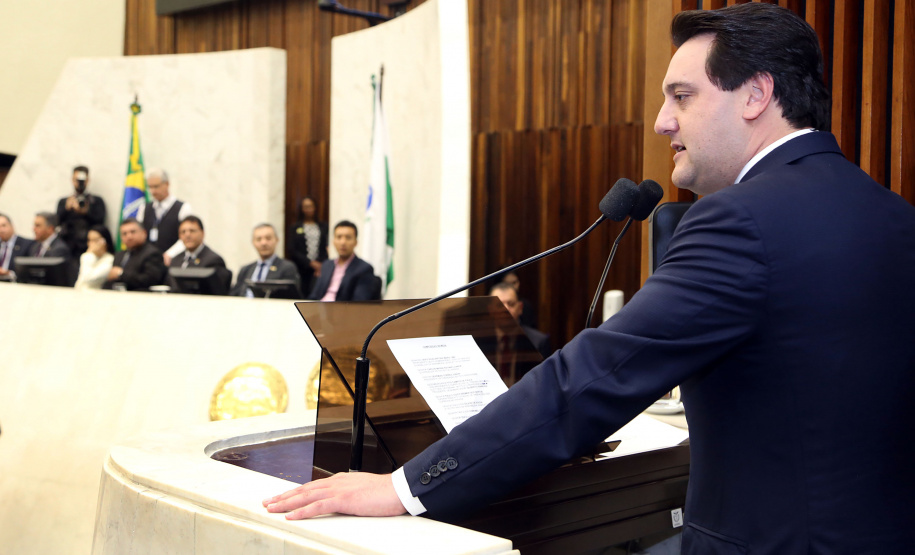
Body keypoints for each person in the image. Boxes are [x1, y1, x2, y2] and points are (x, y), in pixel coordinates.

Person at [263, 4, 915, 553]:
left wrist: (404, 484)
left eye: (681, 96)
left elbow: (593, 378)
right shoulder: (894, 216)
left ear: (755, 94)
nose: (662, 121)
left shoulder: (737, 222)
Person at [307, 221, 377, 301]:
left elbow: (359, 302)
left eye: (348, 237)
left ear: (356, 242)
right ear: (333, 241)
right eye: (339, 237)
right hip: (319, 309)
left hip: (342, 311)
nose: (343, 242)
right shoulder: (327, 265)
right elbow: (314, 296)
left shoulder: (364, 268)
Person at [137, 168, 193, 265]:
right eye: (150, 187)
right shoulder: (144, 208)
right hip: (149, 262)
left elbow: (187, 237)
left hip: (175, 261)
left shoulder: (183, 208)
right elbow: (139, 234)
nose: (152, 191)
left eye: (156, 187)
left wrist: (169, 254)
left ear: (167, 184)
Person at [230, 223, 301, 298]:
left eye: (268, 238)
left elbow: (290, 296)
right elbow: (234, 295)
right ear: (253, 242)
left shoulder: (287, 268)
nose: (263, 243)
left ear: (276, 240)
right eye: (258, 239)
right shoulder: (245, 269)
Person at [489, 281, 551, 360]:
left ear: (520, 308)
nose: (506, 309)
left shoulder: (538, 342)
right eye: (499, 305)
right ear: (490, 310)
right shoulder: (479, 341)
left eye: (511, 304)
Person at [56, 165, 107, 258]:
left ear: (88, 180)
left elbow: (101, 222)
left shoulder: (96, 201)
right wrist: (66, 208)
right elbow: (56, 222)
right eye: (77, 180)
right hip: (68, 246)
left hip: (90, 245)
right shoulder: (64, 201)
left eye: (82, 180)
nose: (80, 183)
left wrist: (86, 212)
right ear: (72, 179)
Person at [104, 218, 167, 291]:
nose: (129, 236)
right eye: (124, 234)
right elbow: (111, 280)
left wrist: (121, 274)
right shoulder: (119, 255)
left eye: (133, 232)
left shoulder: (153, 254)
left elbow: (150, 280)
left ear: (144, 233)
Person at [288, 196, 328, 295]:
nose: (308, 209)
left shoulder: (323, 226)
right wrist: (309, 263)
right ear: (302, 209)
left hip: (319, 268)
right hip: (301, 268)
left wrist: (319, 264)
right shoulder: (295, 227)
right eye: (305, 207)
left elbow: (325, 247)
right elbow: (292, 249)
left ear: (315, 208)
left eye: (310, 206)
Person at [74, 225, 114, 290]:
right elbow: (79, 283)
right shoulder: (87, 256)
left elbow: (88, 279)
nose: (91, 244)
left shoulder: (110, 260)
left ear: (104, 241)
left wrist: (89, 255)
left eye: (95, 240)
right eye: (89, 240)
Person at [0, 213, 35, 280]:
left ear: (12, 226)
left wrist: (9, 273)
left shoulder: (27, 244)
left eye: (4, 226)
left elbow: (28, 270)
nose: (1, 230)